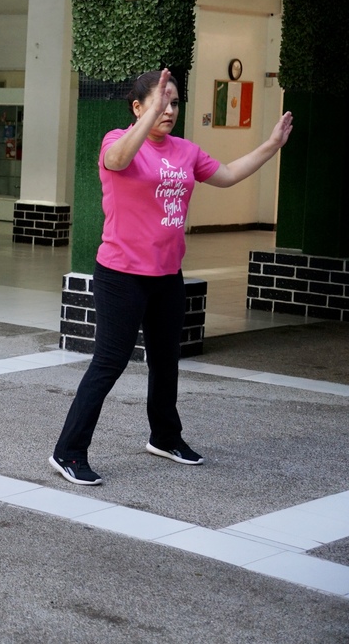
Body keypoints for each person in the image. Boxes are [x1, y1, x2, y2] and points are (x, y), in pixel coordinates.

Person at [49, 69, 293, 487]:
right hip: (121, 274)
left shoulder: (185, 151)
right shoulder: (117, 141)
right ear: (137, 107)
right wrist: (149, 117)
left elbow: (227, 174)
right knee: (109, 362)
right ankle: (68, 451)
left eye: (175, 103)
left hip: (167, 275)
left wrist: (271, 145)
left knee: (165, 361)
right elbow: (117, 161)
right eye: (161, 102)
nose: (169, 110)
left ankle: (164, 437)